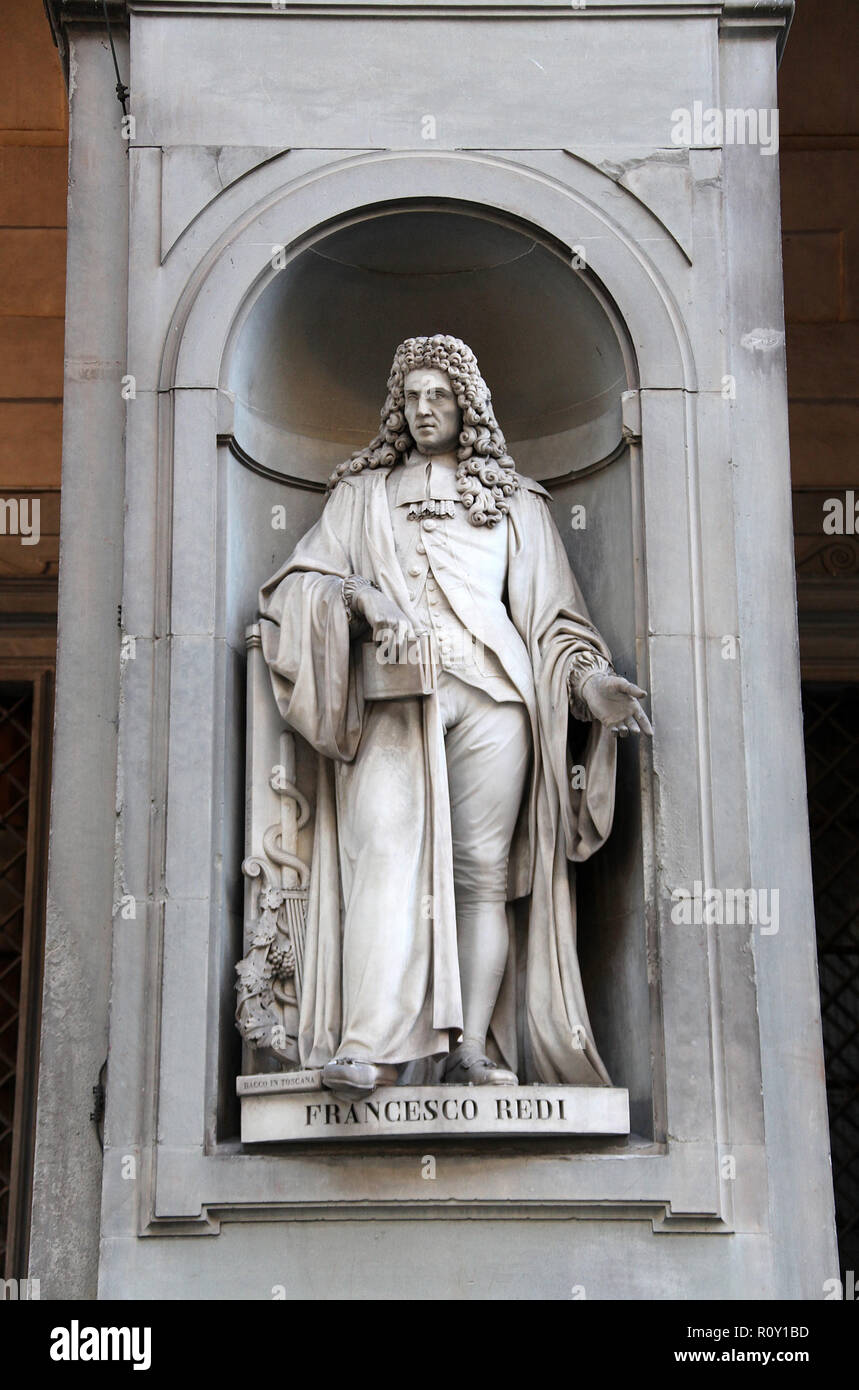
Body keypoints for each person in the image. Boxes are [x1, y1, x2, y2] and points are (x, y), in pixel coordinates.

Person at [259, 335, 651, 1100]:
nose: (424, 408)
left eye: (438, 395)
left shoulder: (515, 504)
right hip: (395, 704)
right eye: (410, 397)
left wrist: (588, 687)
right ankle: (367, 1045)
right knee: (382, 857)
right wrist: (357, 597)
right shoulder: (359, 497)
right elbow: (292, 589)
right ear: (396, 409)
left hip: (496, 700)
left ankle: (468, 1047)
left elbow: (553, 625)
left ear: (466, 405)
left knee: (478, 879)